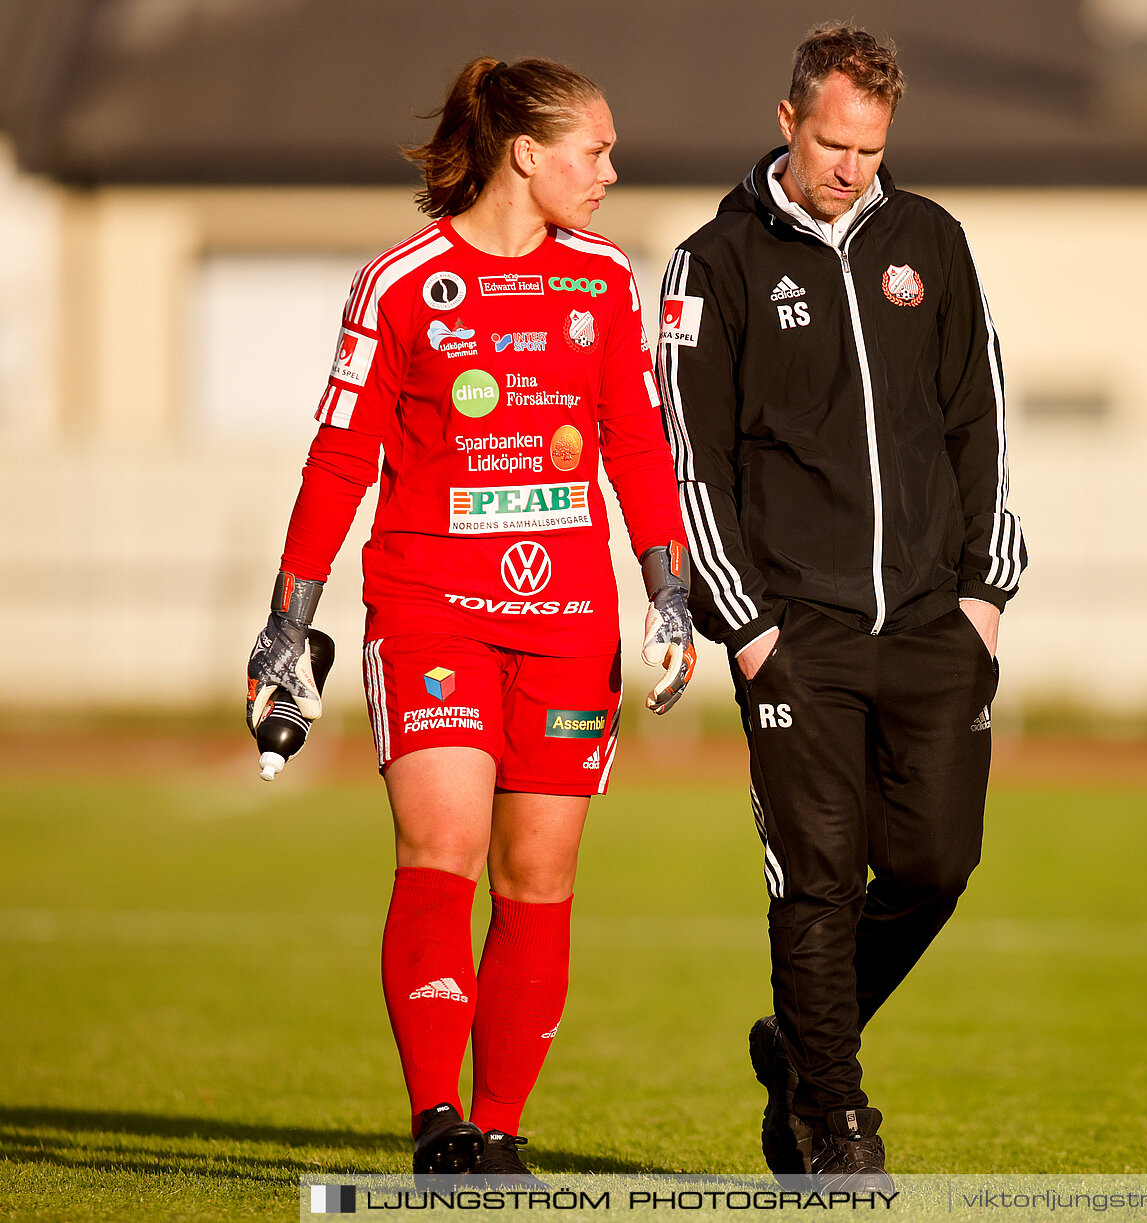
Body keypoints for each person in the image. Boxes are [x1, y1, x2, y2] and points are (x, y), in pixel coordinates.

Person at [244, 56, 694, 1181]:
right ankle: (438, 1122)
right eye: (595, 150)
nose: (611, 170)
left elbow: (637, 443)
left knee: (538, 877)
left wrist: (667, 586)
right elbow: (343, 453)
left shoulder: (601, 280)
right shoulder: (399, 283)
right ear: (525, 153)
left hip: (567, 618)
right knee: (440, 846)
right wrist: (287, 619)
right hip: (430, 606)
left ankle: (499, 1130)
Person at [655, 24, 1025, 1189]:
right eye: (832, 141)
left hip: (931, 622)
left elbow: (982, 422)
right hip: (793, 633)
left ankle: (801, 1050)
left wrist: (985, 595)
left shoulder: (934, 243)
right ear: (786, 120)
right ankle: (838, 1122)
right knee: (816, 880)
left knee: (936, 864)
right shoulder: (711, 264)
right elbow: (687, 459)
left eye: (870, 146)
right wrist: (745, 623)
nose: (851, 166)